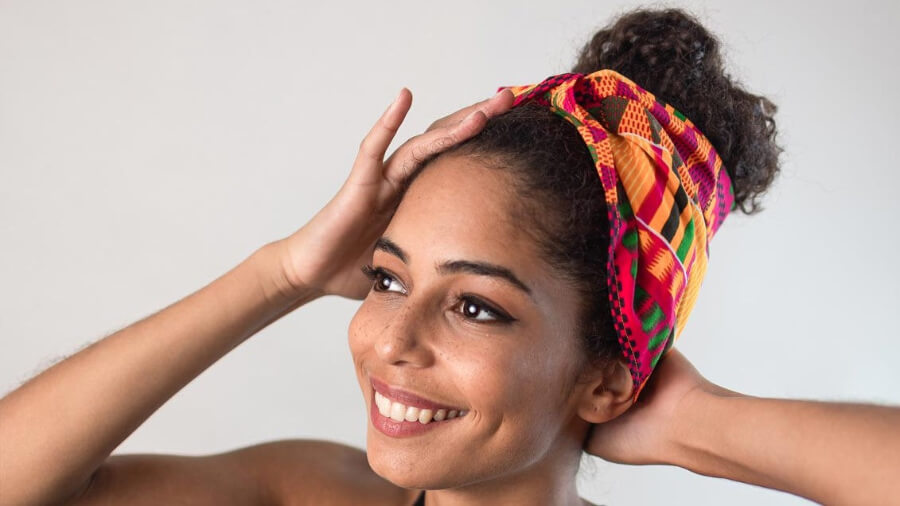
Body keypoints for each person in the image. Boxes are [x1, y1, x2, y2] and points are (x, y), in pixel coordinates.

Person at [1, 7, 898, 506]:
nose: (392, 339)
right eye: (388, 279)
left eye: (476, 305)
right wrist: (283, 274)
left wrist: (700, 423)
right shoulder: (308, 493)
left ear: (606, 378)